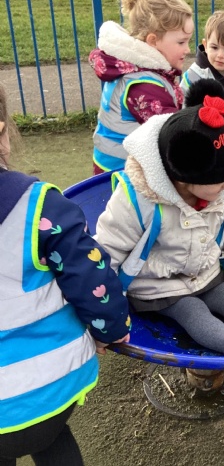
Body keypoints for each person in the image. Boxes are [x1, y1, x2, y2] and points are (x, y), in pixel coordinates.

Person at [95, 79, 224, 357]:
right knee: (193, 311)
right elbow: (108, 249)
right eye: (221, 181)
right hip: (159, 285)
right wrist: (104, 311)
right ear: (185, 178)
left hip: (204, 272)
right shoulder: (139, 200)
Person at [0, 82, 131, 465]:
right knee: (52, 439)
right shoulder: (39, 206)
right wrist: (110, 329)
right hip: (50, 385)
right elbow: (91, 279)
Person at [89, 0, 193, 175]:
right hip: (121, 173)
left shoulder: (133, 68)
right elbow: (173, 135)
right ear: (153, 41)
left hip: (111, 164)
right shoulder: (144, 87)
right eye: (181, 42)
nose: (187, 49)